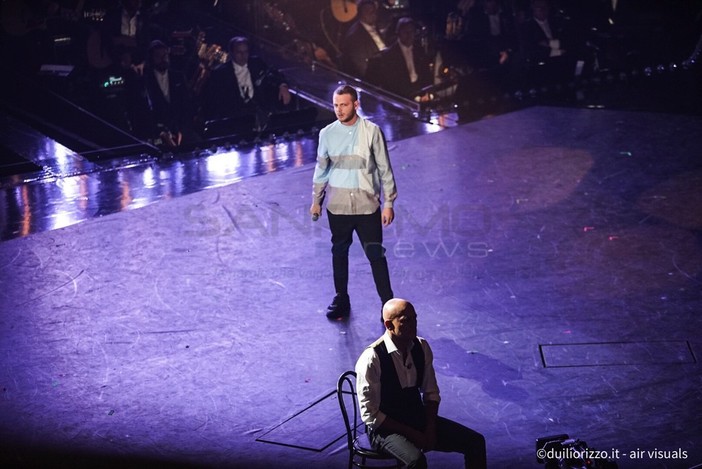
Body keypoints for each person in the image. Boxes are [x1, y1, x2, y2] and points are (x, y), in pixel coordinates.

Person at [355, 298, 487, 468]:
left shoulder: (421, 347)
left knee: (475, 442)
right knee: (416, 461)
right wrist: (414, 434)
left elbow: (431, 393)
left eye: (414, 319)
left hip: (416, 418)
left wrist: (430, 428)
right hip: (385, 429)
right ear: (389, 325)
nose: (413, 325)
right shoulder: (372, 358)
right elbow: (371, 415)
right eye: (406, 321)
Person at [309, 84, 396, 320]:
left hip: (367, 206)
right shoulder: (326, 134)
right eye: (336, 105)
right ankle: (341, 299)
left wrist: (388, 203)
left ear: (356, 105)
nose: (339, 109)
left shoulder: (372, 131)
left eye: (344, 104)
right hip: (338, 207)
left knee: (375, 254)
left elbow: (384, 169)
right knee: (339, 252)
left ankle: (388, 304)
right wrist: (316, 200)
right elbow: (321, 170)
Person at [202, 36, 291, 121]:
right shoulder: (220, 73)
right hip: (236, 118)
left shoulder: (256, 63)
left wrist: (283, 85)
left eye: (245, 52)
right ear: (232, 53)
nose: (243, 55)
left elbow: (273, 73)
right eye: (239, 52)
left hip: (262, 113)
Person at [143, 39, 196, 148]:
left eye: (165, 55)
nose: (163, 59)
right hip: (158, 132)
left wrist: (183, 129)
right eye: (158, 56)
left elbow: (186, 103)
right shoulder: (145, 80)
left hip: (181, 129)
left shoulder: (178, 76)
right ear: (152, 58)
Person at [365, 17, 434, 100]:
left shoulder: (419, 51)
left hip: (419, 93)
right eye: (405, 32)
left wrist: (427, 93)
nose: (409, 35)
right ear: (398, 33)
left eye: (411, 31)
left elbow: (426, 74)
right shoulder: (388, 55)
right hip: (401, 97)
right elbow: (392, 83)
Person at [339, 0, 388, 78]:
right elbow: (363, 69)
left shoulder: (376, 27)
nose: (372, 14)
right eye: (368, 11)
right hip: (376, 77)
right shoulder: (354, 37)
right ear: (360, 13)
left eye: (373, 11)